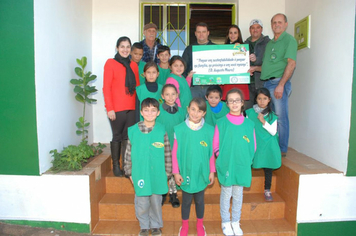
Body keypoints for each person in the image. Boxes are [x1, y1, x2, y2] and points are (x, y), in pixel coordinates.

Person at [250, 13, 297, 156]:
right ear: (271, 25)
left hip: (278, 82)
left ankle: (281, 149)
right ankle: (271, 146)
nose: (277, 25)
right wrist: (254, 68)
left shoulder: (289, 40)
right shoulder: (270, 43)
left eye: (280, 22)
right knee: (268, 117)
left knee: (281, 117)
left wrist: (281, 85)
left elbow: (291, 63)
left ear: (286, 24)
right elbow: (266, 66)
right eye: (274, 22)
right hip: (267, 83)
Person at [124, 98, 172, 236]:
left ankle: (156, 225)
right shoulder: (133, 131)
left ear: (158, 113)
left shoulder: (162, 130)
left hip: (158, 173)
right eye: (146, 110)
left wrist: (167, 173)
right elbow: (128, 153)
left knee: (156, 201)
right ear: (141, 112)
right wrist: (130, 173)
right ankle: (144, 226)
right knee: (142, 202)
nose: (149, 113)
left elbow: (167, 152)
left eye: (153, 110)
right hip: (140, 173)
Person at [213, 88, 255, 236]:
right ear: (227, 104)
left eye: (237, 100)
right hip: (227, 164)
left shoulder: (249, 124)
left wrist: (247, 160)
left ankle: (236, 222)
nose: (234, 103)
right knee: (226, 193)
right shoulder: (221, 122)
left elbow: (253, 145)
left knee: (238, 194)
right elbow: (216, 144)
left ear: (242, 103)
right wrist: (221, 157)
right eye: (231, 101)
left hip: (242, 164)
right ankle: (225, 222)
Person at [172, 97, 215, 236]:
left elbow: (210, 154)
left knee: (200, 201)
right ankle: (184, 226)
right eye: (193, 109)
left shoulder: (209, 130)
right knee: (186, 201)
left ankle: (200, 225)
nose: (196, 113)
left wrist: (212, 171)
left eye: (200, 111)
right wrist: (176, 172)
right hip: (186, 171)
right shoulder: (179, 129)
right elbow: (174, 153)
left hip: (201, 172)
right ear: (188, 109)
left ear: (204, 113)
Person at [103, 36, 140, 177]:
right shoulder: (110, 63)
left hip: (131, 107)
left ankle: (126, 165)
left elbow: (137, 88)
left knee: (127, 137)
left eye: (128, 47)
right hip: (116, 108)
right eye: (122, 46)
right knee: (117, 136)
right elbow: (106, 88)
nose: (125, 49)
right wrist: (109, 108)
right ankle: (115, 165)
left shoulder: (134, 66)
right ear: (117, 48)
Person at [246, 88, 281, 201]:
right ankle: (240, 186)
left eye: (265, 99)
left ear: (269, 100)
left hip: (267, 145)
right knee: (247, 164)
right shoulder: (250, 112)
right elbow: (246, 128)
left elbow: (273, 132)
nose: (262, 101)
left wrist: (263, 121)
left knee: (268, 167)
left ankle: (267, 189)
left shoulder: (272, 115)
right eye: (259, 98)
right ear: (256, 99)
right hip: (254, 143)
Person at [156, 84, 186, 208]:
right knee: (164, 169)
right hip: (163, 145)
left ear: (177, 95)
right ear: (162, 96)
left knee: (175, 169)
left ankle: (173, 193)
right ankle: (163, 192)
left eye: (173, 94)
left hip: (177, 145)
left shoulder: (182, 112)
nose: (170, 97)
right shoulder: (159, 112)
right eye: (167, 94)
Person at [182, 22, 215, 98]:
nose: (201, 34)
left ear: (208, 33)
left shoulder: (215, 48)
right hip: (194, 87)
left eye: (203, 32)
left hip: (211, 87)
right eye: (199, 32)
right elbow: (183, 68)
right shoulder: (189, 49)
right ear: (195, 33)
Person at [244, 19, 270, 110]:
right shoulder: (244, 44)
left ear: (261, 29)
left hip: (263, 83)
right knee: (248, 111)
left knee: (263, 111)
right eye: (253, 28)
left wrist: (256, 60)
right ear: (249, 30)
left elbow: (270, 64)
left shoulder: (268, 43)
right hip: (247, 84)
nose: (255, 30)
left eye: (258, 27)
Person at [221, 25, 250, 103]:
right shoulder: (223, 49)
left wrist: (239, 48)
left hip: (240, 82)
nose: (233, 35)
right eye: (230, 33)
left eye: (235, 33)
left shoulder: (244, 48)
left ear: (239, 34)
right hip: (227, 83)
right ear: (228, 35)